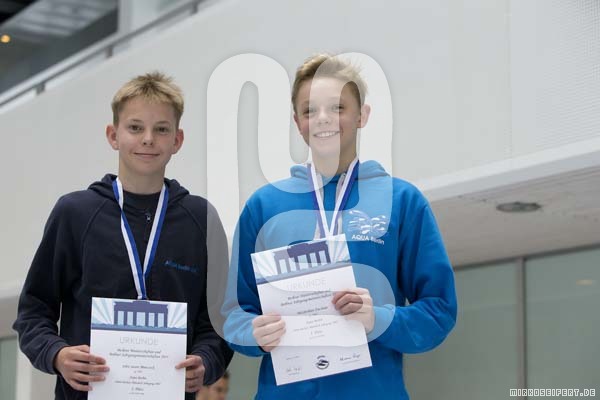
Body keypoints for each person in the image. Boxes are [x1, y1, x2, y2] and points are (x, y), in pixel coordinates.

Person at [223, 54, 458, 399]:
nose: (322, 119)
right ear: (297, 122)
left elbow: (439, 310)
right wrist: (252, 334)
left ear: (362, 115)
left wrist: (378, 319)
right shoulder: (264, 205)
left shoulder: (402, 201)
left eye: (337, 107)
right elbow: (234, 314)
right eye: (309, 110)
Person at [13, 72, 233, 399]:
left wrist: (206, 362)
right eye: (135, 127)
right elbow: (33, 310)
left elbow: (219, 320)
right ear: (113, 135)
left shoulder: (201, 219)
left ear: (177, 140)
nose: (148, 139)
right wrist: (56, 354)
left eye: (161, 129)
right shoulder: (75, 213)